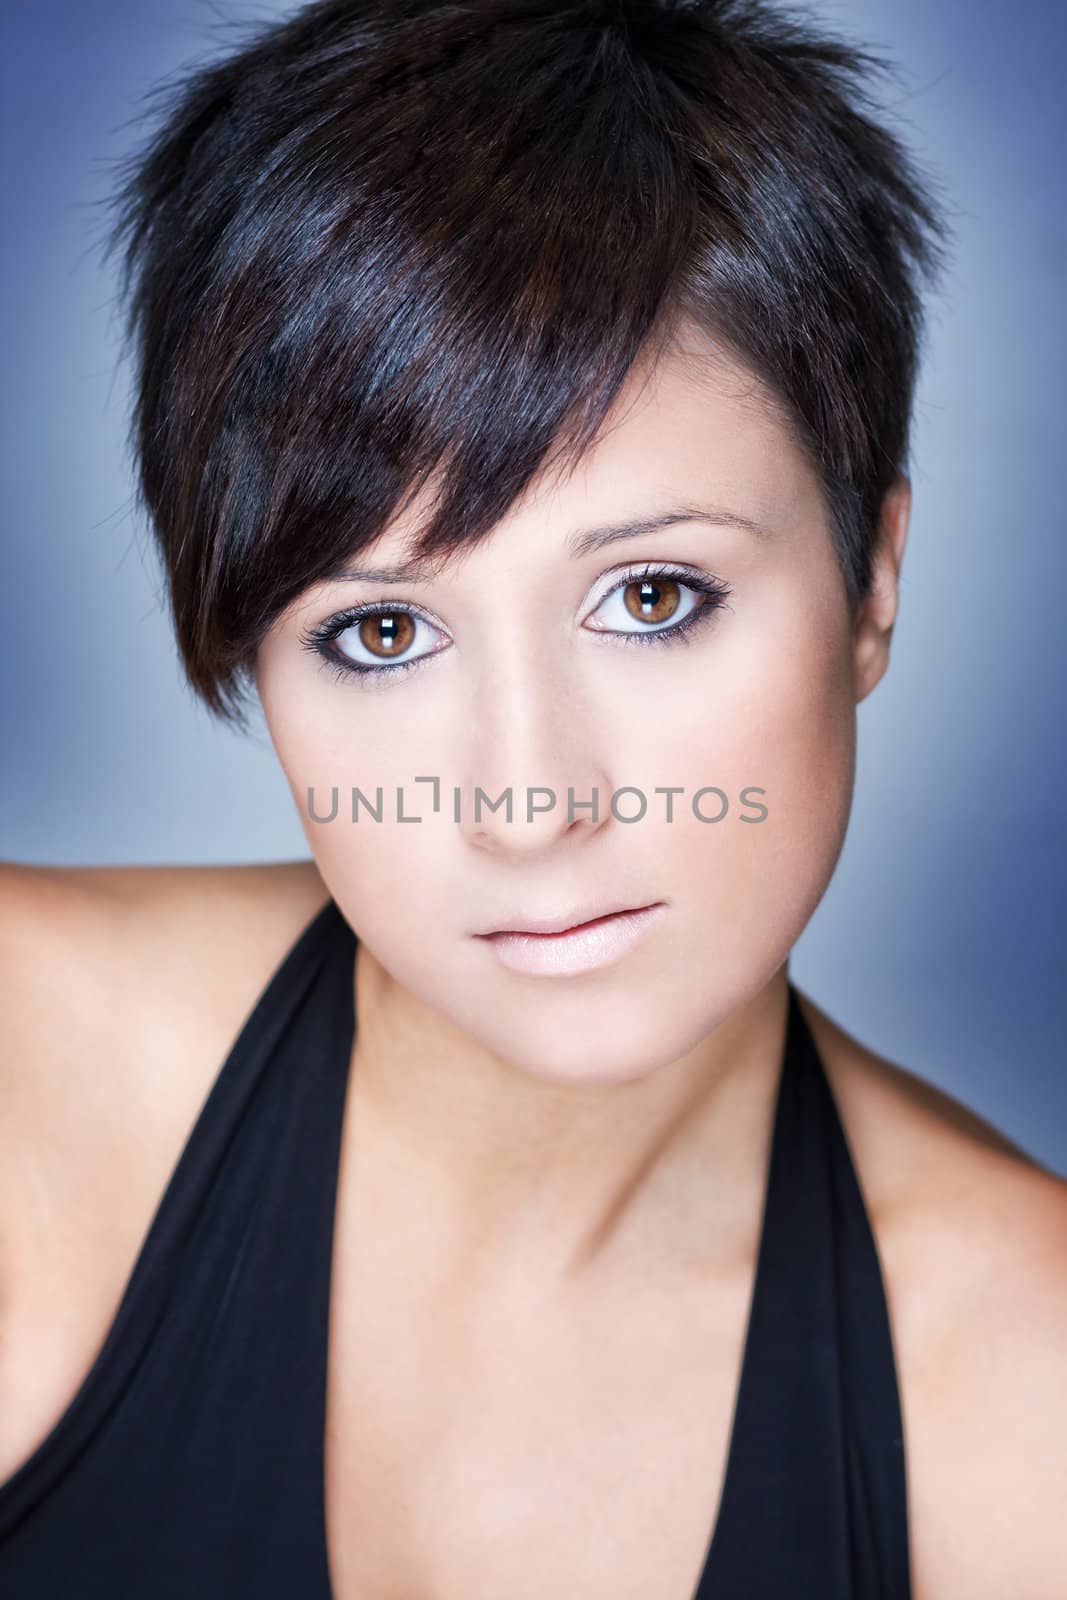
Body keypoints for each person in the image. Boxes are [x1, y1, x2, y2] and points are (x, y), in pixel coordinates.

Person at [1, 0, 1064, 1595]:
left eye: (650, 598)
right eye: (379, 631)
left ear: (871, 584)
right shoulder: (27, 1071)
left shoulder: (1026, 1397)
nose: (526, 802)